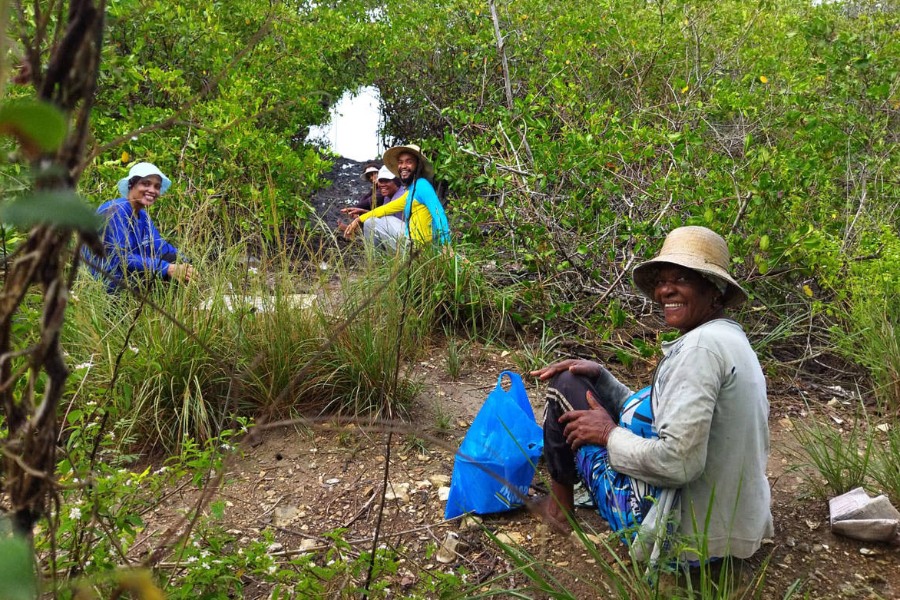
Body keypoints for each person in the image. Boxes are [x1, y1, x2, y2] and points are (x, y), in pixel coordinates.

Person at [531, 226, 773, 565]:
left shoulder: (699, 350)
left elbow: (679, 462)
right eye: (661, 280)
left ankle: (559, 508)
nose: (665, 290)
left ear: (714, 291)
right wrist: (603, 379)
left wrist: (607, 434)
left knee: (563, 386)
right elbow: (662, 411)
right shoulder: (728, 341)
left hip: (683, 542)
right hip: (732, 529)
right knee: (581, 381)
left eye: (681, 279)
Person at [83, 162, 195, 292]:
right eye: (146, 184)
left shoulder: (142, 215)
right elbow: (121, 258)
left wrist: (186, 262)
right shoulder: (116, 211)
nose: (152, 190)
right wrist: (166, 268)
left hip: (129, 276)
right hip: (107, 282)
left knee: (174, 260)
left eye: (157, 186)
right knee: (167, 269)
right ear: (131, 185)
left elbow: (158, 245)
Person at [343, 144, 450, 247]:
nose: (403, 166)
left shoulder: (422, 185)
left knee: (372, 223)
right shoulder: (410, 191)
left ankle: (375, 262)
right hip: (412, 243)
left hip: (419, 247)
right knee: (379, 218)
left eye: (409, 162)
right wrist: (359, 219)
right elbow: (386, 209)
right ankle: (386, 263)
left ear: (418, 165)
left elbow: (439, 214)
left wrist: (446, 245)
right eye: (400, 162)